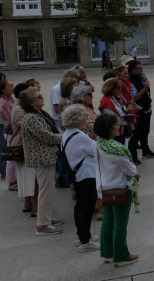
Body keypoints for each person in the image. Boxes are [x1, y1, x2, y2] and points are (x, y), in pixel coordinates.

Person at [94, 113, 140, 267]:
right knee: (120, 223)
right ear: (109, 128)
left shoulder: (98, 143)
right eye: (115, 124)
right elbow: (129, 169)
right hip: (119, 187)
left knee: (108, 221)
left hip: (103, 187)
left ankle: (108, 253)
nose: (118, 125)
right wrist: (136, 173)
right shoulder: (116, 149)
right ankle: (121, 256)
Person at [20, 87, 64, 235]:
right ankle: (42, 225)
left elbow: (52, 132)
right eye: (39, 96)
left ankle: (46, 218)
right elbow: (47, 136)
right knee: (46, 191)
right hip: (41, 159)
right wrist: (67, 137)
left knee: (48, 190)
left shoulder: (38, 113)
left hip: (46, 157)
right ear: (32, 102)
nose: (43, 97)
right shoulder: (31, 118)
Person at [61, 104, 100, 252]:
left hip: (78, 175)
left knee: (80, 207)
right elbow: (96, 151)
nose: (86, 119)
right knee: (86, 208)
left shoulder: (68, 133)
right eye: (84, 116)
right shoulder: (80, 136)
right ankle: (85, 241)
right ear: (77, 119)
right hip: (86, 175)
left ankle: (82, 235)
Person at [11, 82, 37, 215]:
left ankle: (28, 203)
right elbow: (27, 125)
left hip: (24, 145)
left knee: (28, 175)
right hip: (22, 146)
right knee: (27, 176)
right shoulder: (18, 109)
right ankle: (32, 204)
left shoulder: (21, 107)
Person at [128, 60, 154, 159]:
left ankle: (146, 150)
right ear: (132, 70)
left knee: (145, 131)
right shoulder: (130, 81)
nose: (141, 70)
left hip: (147, 108)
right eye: (139, 68)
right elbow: (135, 97)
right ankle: (133, 155)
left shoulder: (142, 77)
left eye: (142, 67)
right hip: (138, 110)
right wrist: (145, 88)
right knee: (137, 133)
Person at [0, 79, 18, 190]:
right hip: (10, 131)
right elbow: (9, 118)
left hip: (13, 130)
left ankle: (14, 180)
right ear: (3, 89)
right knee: (11, 158)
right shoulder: (3, 102)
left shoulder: (11, 98)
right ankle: (11, 182)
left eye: (13, 85)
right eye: (10, 86)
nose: (13, 87)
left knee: (13, 157)